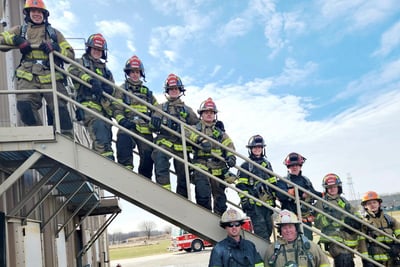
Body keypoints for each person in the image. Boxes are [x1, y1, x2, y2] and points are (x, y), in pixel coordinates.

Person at [0, 0, 74, 136]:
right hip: (28, 76)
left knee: (60, 109)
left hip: (51, 75)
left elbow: (70, 54)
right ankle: (38, 134)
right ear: (28, 14)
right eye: (33, 11)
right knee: (25, 106)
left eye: (39, 12)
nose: (36, 14)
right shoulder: (20, 30)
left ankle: (66, 138)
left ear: (44, 15)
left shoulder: (54, 34)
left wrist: (56, 49)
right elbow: (1, 39)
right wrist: (16, 40)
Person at [150, 73, 199, 197]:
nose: (173, 91)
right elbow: (152, 126)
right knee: (160, 159)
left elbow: (198, 128)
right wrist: (154, 124)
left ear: (180, 90)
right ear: (167, 91)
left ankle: (183, 200)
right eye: (171, 89)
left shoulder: (188, 111)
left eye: (176, 89)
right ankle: (165, 192)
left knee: (184, 176)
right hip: (165, 142)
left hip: (182, 146)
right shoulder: (160, 108)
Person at [68, 33, 115, 159]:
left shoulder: (107, 71)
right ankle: (107, 163)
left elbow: (113, 90)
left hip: (104, 110)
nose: (97, 52)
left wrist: (108, 89)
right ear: (89, 49)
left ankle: (101, 165)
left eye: (99, 50)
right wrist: (90, 80)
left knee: (105, 138)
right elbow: (73, 71)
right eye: (95, 49)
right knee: (99, 130)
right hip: (88, 105)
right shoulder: (81, 62)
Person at [186, 97, 236, 215]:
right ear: (201, 115)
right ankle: (205, 218)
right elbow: (186, 133)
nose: (209, 115)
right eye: (206, 112)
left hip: (218, 169)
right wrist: (200, 140)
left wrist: (231, 157)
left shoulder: (221, 133)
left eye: (211, 113)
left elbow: (229, 146)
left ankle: (220, 223)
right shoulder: (195, 129)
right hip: (201, 165)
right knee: (203, 194)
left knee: (220, 201)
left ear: (215, 115)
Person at [114, 55, 158, 178]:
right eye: (132, 72)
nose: (134, 74)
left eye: (137, 72)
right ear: (128, 73)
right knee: (123, 142)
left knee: (148, 157)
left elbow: (157, 109)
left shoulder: (147, 93)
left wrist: (156, 118)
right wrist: (122, 120)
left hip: (145, 129)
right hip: (128, 125)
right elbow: (117, 107)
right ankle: (126, 172)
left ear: (141, 74)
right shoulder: (122, 89)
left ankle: (145, 180)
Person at [314, 173, 361, 267]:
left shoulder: (343, 201)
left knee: (348, 262)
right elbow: (318, 223)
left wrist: (355, 221)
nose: (332, 189)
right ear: (326, 188)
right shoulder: (321, 203)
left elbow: (355, 213)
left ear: (338, 187)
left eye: (334, 186)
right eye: (329, 187)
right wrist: (330, 217)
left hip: (348, 239)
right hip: (332, 239)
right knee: (343, 259)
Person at [236, 134, 277, 241]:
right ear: (250, 149)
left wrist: (275, 196)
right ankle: (264, 255)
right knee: (261, 233)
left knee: (268, 230)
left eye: (260, 147)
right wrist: (245, 199)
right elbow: (240, 185)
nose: (257, 149)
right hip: (254, 206)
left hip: (267, 204)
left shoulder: (267, 164)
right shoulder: (245, 166)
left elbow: (273, 183)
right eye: (255, 147)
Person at [276, 152, 322, 240]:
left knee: (307, 242)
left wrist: (324, 194)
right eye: (292, 165)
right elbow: (280, 194)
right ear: (288, 167)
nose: (294, 167)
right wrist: (300, 193)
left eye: (296, 165)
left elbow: (314, 194)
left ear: (300, 165)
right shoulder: (283, 181)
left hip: (305, 219)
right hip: (289, 221)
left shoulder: (306, 181)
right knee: (291, 244)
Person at [264, 209, 331, 267]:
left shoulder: (311, 247)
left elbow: (325, 264)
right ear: (280, 230)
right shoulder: (271, 250)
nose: (288, 230)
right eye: (284, 228)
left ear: (296, 228)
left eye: (290, 227)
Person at [358, 191, 400, 267]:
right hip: (374, 261)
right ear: (365, 206)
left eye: (374, 202)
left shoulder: (389, 219)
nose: (372, 205)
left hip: (391, 259)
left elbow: (399, 233)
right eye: (369, 203)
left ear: (379, 203)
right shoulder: (363, 222)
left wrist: (397, 246)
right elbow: (361, 242)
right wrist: (366, 260)